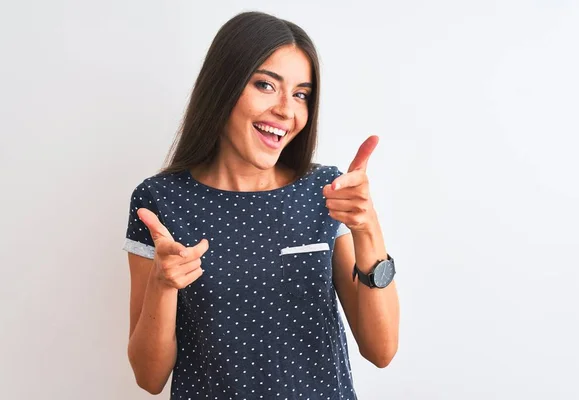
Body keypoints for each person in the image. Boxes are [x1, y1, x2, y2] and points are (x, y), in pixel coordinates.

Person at [123, 11, 399, 399]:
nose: (287, 110)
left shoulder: (326, 190)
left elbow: (381, 350)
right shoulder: (160, 201)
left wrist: (368, 228)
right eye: (266, 85)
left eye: (301, 94)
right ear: (223, 86)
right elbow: (148, 378)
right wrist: (164, 284)